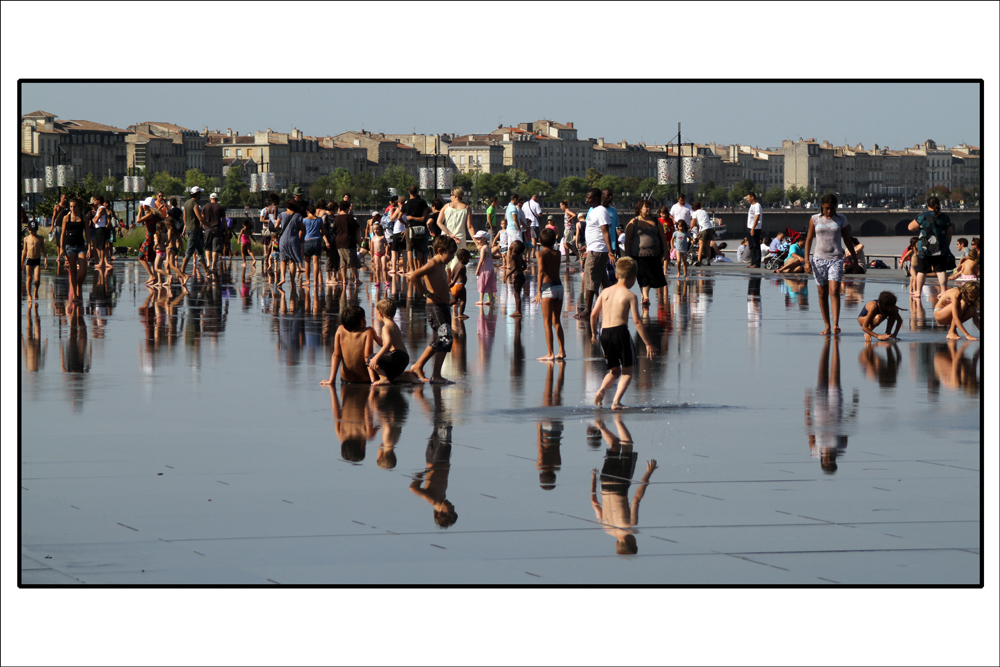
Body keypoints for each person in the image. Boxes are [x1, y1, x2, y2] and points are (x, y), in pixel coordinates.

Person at [590, 257, 657, 410]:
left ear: (616, 275)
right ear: (634, 277)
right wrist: (648, 344)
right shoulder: (630, 296)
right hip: (620, 332)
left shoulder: (605, 292)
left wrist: (594, 333)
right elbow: (638, 322)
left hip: (604, 333)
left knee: (614, 371)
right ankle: (616, 402)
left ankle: (601, 390)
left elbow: (593, 315)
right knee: (627, 372)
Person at [590, 415, 657, 555]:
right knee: (614, 444)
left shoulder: (630, 525)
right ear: (616, 544)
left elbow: (637, 498)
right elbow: (594, 502)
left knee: (627, 444)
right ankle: (602, 427)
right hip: (605, 483)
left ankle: (618, 419)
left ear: (633, 542)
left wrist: (648, 473)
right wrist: (594, 478)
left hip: (621, 485)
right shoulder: (605, 527)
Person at [803, 194, 858, 336]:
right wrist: (806, 261)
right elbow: (809, 240)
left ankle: (835, 324)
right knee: (822, 294)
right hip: (818, 259)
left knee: (834, 291)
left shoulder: (841, 219)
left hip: (836, 259)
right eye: (827, 208)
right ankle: (826, 325)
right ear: (822, 205)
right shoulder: (815, 219)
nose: (829, 211)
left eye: (832, 209)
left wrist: (855, 259)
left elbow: (846, 239)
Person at [406, 235, 458, 384]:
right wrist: (427, 293)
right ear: (441, 251)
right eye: (451, 253)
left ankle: (418, 366)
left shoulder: (441, 264)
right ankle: (436, 375)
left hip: (442, 307)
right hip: (435, 308)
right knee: (445, 339)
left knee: (438, 340)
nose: (452, 256)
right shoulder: (434, 263)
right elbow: (414, 276)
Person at [576, 188, 614, 319]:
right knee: (603, 279)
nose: (586, 200)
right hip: (593, 248)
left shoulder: (602, 211)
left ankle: (588, 310)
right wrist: (587, 247)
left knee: (590, 277)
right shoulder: (593, 211)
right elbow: (593, 231)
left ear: (597, 198)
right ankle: (615, 300)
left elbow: (605, 232)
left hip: (598, 250)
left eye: (589, 197)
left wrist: (610, 251)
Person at [319, 304, 379, 385]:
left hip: (346, 377)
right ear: (362, 321)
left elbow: (336, 355)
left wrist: (331, 380)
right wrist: (373, 380)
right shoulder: (368, 332)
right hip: (365, 378)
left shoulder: (340, 329)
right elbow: (367, 357)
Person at [623, 199, 668, 306]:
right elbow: (627, 240)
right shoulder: (634, 222)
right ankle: (646, 296)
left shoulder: (656, 221)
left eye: (649, 207)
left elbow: (662, 237)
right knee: (643, 276)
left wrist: (665, 252)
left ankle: (644, 296)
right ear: (640, 209)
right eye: (646, 207)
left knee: (652, 277)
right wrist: (627, 256)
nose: (648, 209)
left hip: (654, 254)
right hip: (638, 254)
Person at [908, 196, 954, 298]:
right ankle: (943, 291)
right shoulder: (944, 217)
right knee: (941, 271)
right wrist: (946, 245)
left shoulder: (922, 216)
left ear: (927, 205)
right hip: (940, 247)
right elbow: (949, 232)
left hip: (924, 248)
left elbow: (910, 227)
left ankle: (918, 292)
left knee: (922, 271)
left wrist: (921, 226)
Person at [367, 298, 421, 385]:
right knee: (390, 375)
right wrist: (376, 338)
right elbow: (386, 345)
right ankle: (407, 377)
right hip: (403, 357)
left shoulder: (386, 327)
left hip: (397, 356)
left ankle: (383, 378)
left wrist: (375, 358)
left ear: (380, 313)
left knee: (370, 358)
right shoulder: (394, 325)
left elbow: (387, 345)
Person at [532, 228, 566, 361]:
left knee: (547, 322)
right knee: (557, 321)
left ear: (540, 241)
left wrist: (538, 291)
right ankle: (562, 351)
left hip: (548, 288)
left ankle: (550, 353)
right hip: (559, 287)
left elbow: (540, 271)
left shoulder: (540, 254)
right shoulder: (557, 253)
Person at [59, 198, 90, 300]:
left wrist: (89, 248)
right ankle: (75, 295)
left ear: (79, 207)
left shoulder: (84, 218)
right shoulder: (66, 218)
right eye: (71, 206)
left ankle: (78, 285)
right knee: (73, 270)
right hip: (70, 246)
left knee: (83, 269)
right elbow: (63, 234)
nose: (72, 208)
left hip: (81, 245)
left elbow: (87, 234)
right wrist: (62, 248)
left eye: (74, 206)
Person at [179, 186, 208, 282]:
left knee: (200, 251)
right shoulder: (194, 204)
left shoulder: (187, 203)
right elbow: (200, 218)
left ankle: (207, 271)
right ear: (197, 194)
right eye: (200, 193)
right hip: (194, 230)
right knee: (189, 251)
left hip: (190, 229)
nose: (201, 195)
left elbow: (184, 217)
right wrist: (210, 227)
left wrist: (185, 227)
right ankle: (182, 272)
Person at [438, 186, 475, 260]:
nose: (450, 197)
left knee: (445, 265)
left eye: (450, 195)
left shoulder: (446, 207)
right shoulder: (467, 208)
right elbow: (470, 227)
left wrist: (450, 234)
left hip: (446, 238)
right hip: (459, 239)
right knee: (457, 263)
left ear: (455, 196)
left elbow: (439, 222)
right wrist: (476, 242)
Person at [276, 200, 304, 287]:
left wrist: (281, 231)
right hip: (293, 239)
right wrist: (299, 238)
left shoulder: (282, 215)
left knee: (283, 260)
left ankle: (283, 278)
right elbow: (303, 229)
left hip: (283, 239)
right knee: (292, 261)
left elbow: (276, 226)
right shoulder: (298, 216)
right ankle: (292, 281)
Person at [402, 184, 430, 270]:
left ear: (409, 192)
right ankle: (419, 269)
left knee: (409, 249)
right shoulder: (422, 202)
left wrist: (405, 222)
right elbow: (424, 217)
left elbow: (399, 216)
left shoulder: (406, 204)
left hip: (410, 228)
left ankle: (411, 269)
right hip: (421, 229)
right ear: (417, 192)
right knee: (419, 249)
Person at [333, 200, 360, 286]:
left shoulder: (336, 218)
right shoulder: (349, 217)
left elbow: (334, 229)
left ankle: (344, 280)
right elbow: (357, 226)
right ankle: (356, 279)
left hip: (339, 241)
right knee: (353, 261)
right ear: (348, 208)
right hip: (349, 241)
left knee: (342, 260)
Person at [300, 203, 326, 288]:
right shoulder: (319, 220)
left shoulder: (304, 220)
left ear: (307, 212)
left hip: (308, 241)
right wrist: (320, 236)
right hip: (317, 241)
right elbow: (324, 231)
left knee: (307, 262)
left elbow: (302, 231)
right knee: (316, 263)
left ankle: (307, 280)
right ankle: (315, 281)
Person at [201, 192, 226, 272]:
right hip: (217, 228)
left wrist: (202, 226)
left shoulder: (205, 207)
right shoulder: (220, 207)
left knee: (207, 246)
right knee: (215, 247)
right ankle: (213, 265)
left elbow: (202, 218)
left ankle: (208, 262)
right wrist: (227, 229)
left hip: (208, 228)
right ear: (217, 199)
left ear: (210, 199)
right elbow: (224, 220)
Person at [21, 220, 44, 301]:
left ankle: (35, 290)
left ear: (36, 229)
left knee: (37, 279)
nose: (33, 231)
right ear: (28, 229)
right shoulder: (26, 239)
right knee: (29, 278)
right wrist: (21, 262)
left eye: (34, 230)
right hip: (29, 260)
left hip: (37, 260)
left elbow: (43, 249)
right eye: (31, 230)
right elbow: (24, 251)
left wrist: (45, 259)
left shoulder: (40, 238)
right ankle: (29, 295)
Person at [473, 230, 496, 307]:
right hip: (491, 267)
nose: (477, 241)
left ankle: (481, 300)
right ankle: (491, 300)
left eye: (479, 239)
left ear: (484, 239)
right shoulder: (488, 247)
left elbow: (481, 260)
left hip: (485, 268)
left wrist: (477, 270)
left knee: (481, 282)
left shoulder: (483, 248)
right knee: (489, 283)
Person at [507, 240, 527, 319]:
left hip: (518, 277)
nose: (510, 244)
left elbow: (514, 267)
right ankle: (517, 310)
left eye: (512, 244)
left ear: (514, 249)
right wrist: (521, 270)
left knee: (516, 294)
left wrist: (507, 275)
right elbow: (524, 265)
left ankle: (518, 311)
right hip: (521, 276)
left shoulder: (513, 255)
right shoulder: (519, 256)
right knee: (517, 293)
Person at [449, 248, 471, 319]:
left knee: (454, 300)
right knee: (463, 300)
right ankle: (461, 314)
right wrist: (453, 282)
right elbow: (457, 274)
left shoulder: (456, 265)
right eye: (468, 259)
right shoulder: (462, 266)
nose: (468, 261)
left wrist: (452, 283)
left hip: (454, 287)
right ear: (464, 258)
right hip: (460, 285)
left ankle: (444, 306)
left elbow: (452, 274)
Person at [745, 191, 763, 268]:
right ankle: (753, 262)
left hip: (755, 228)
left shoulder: (757, 206)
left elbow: (757, 217)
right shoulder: (751, 206)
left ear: (752, 197)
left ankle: (757, 263)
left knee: (756, 245)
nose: (747, 199)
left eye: (748, 198)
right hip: (750, 228)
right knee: (751, 246)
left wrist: (753, 228)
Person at [602, 189, 620, 258]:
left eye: (611, 195)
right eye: (608, 195)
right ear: (602, 196)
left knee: (611, 268)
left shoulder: (614, 211)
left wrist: (616, 247)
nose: (611, 197)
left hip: (611, 246)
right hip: (598, 246)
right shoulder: (593, 209)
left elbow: (615, 230)